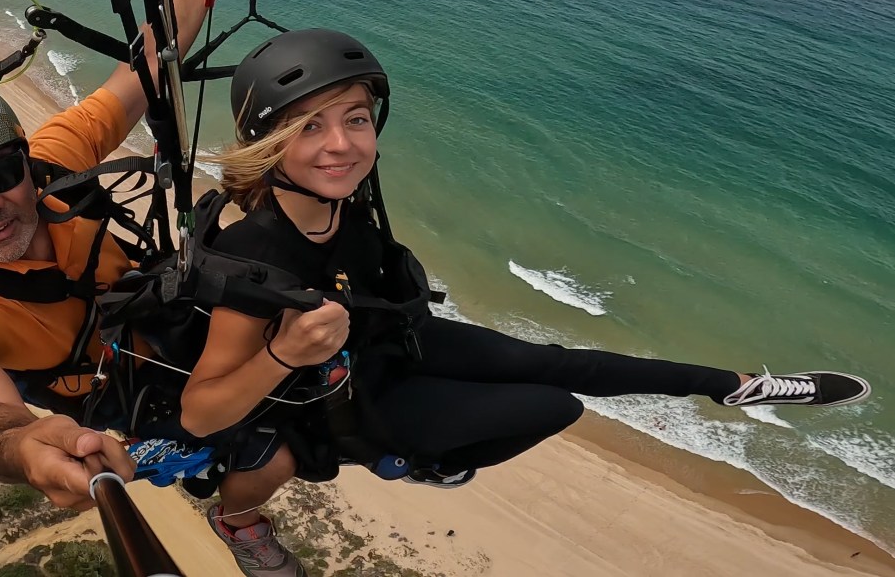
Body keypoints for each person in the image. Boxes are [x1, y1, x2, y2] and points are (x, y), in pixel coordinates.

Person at [178, 28, 873, 576]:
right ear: (269, 142)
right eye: (308, 126)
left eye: (355, 119)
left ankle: (736, 386)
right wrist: (282, 351)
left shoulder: (343, 203)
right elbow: (200, 410)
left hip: (391, 342)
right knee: (553, 405)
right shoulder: (253, 259)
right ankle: (364, 475)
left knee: (563, 364)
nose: (341, 144)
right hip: (335, 400)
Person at [0, 0, 301, 516]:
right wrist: (22, 442)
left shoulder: (53, 164)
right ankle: (231, 512)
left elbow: (146, 68)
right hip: (112, 385)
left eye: (2, 173)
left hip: (151, 313)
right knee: (272, 451)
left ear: (25, 161)